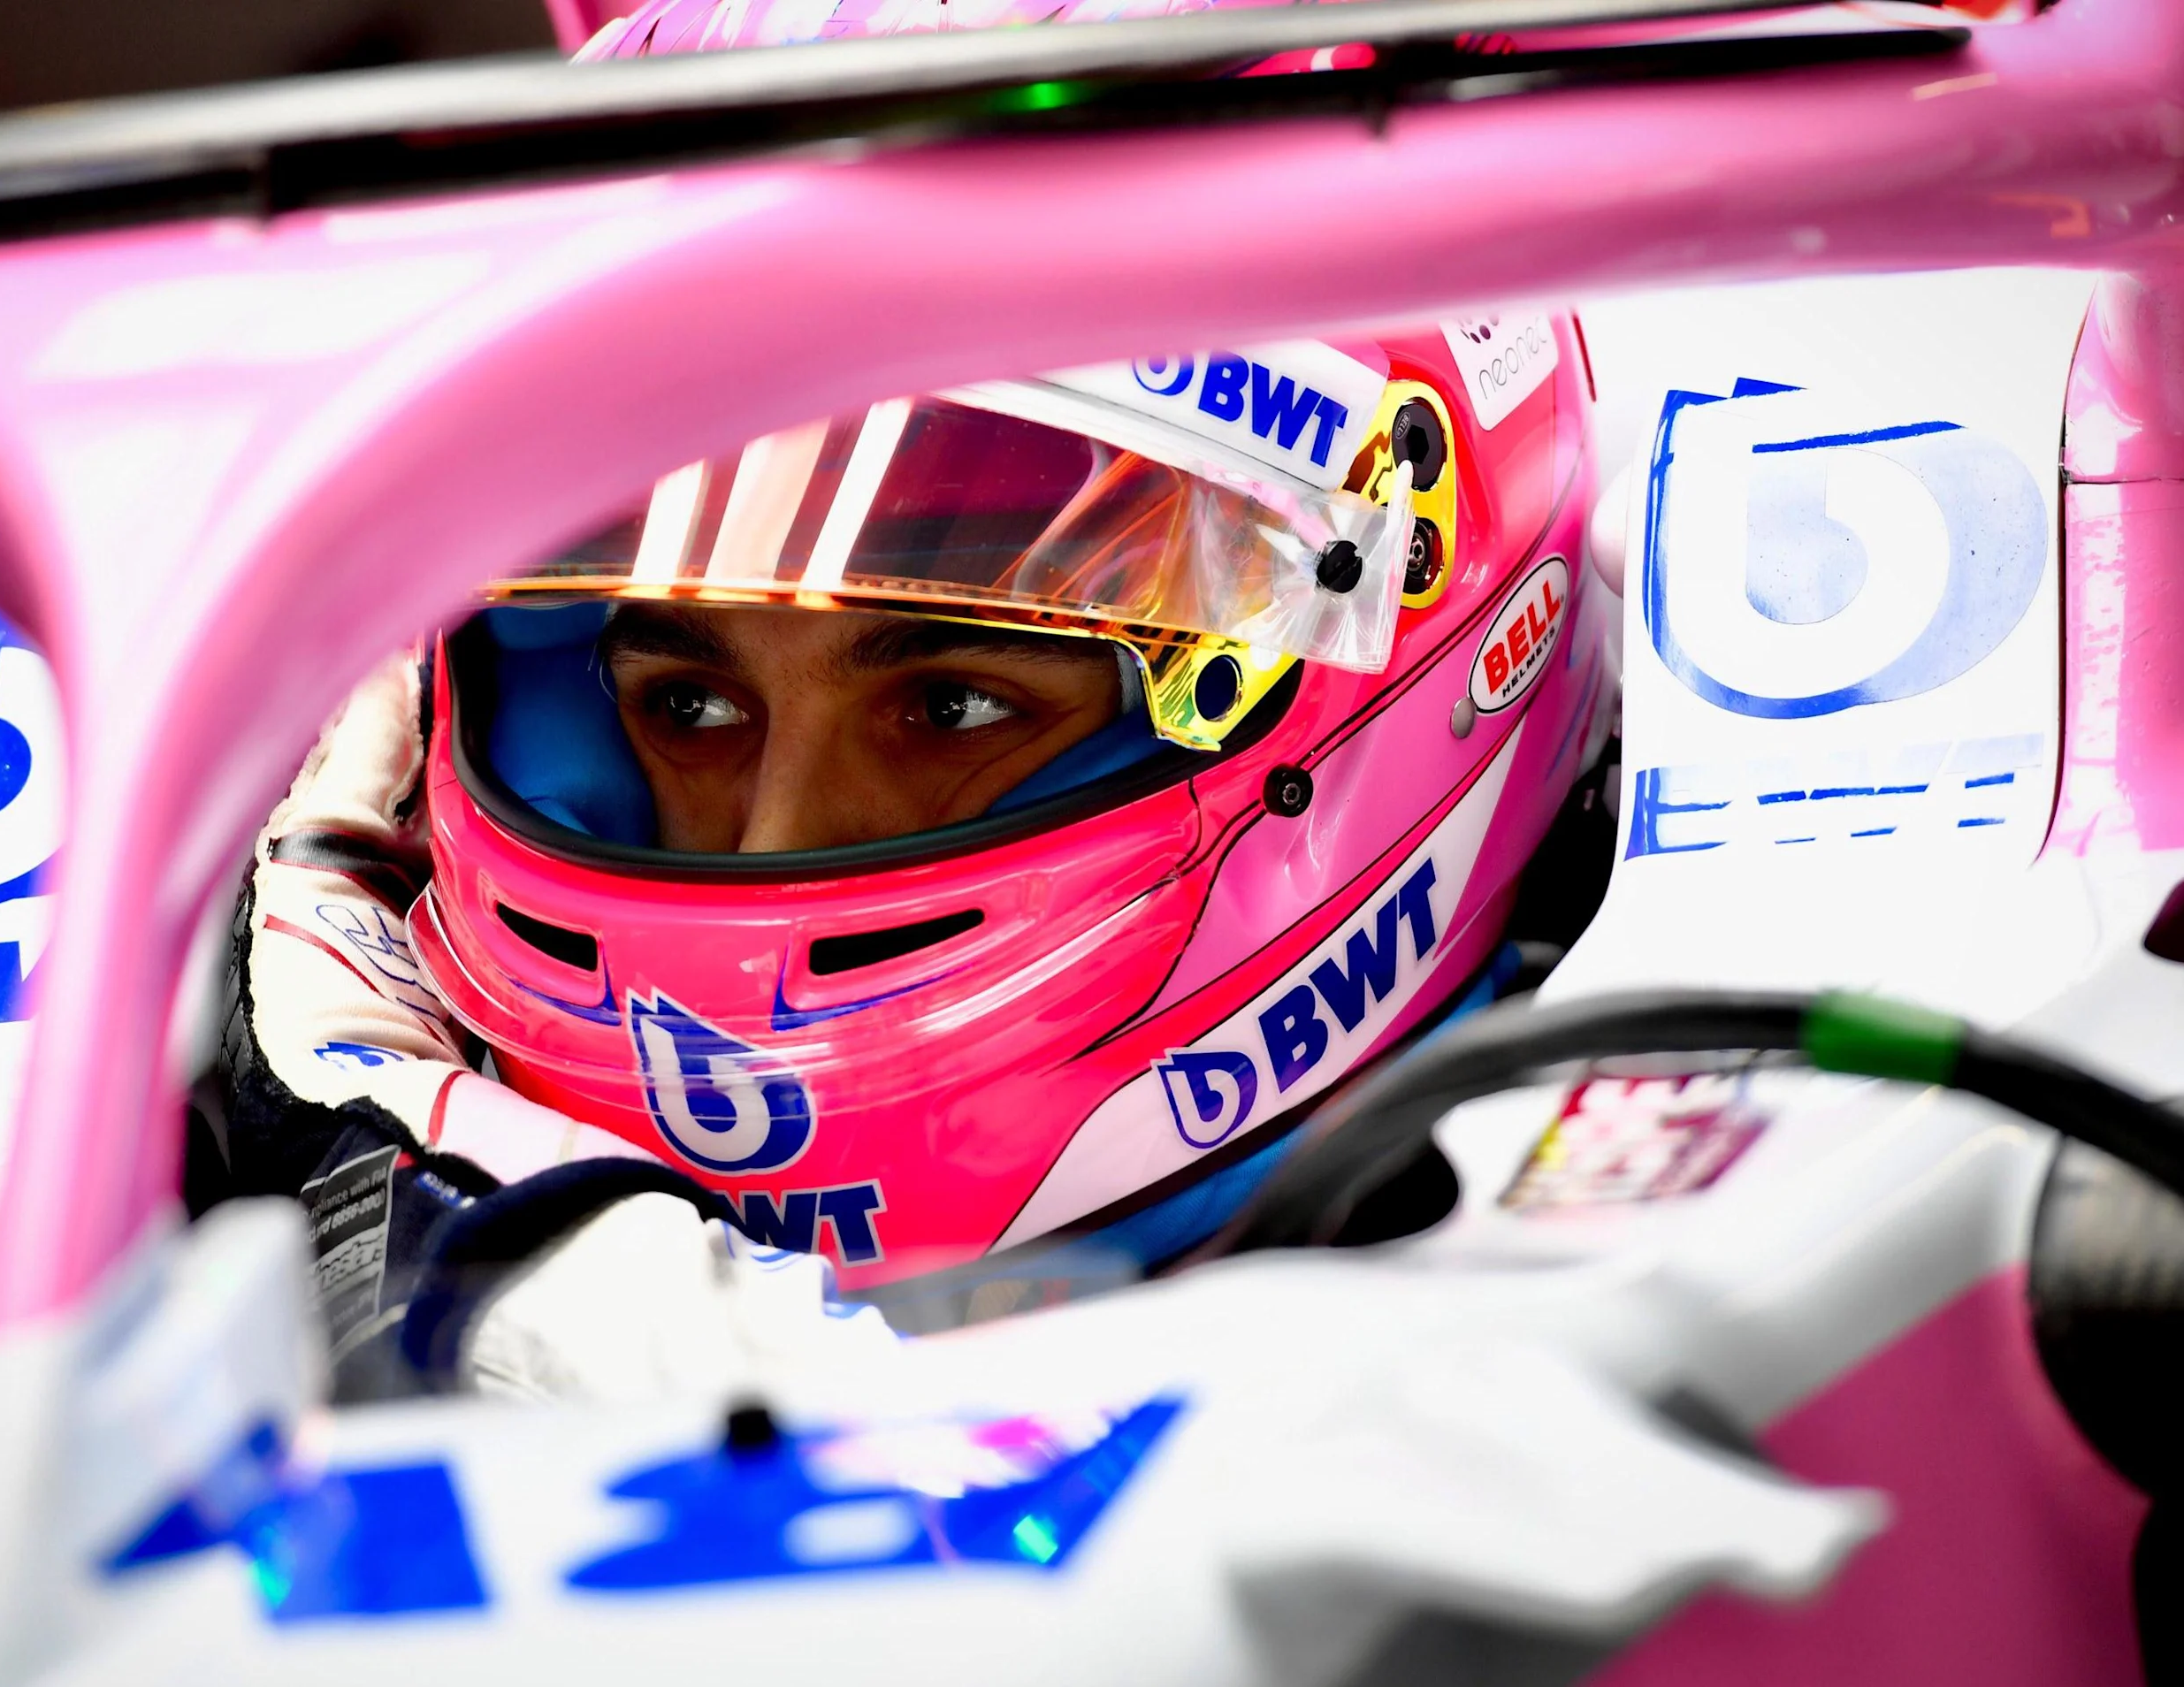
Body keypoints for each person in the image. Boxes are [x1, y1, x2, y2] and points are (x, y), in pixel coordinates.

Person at [197, 302, 1613, 1402]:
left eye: (952, 707)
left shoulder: (1662, 1277)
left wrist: (453, 1230)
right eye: (687, 707)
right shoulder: (243, 1153)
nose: (779, 839)